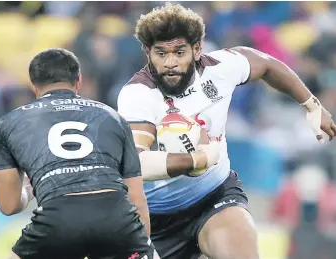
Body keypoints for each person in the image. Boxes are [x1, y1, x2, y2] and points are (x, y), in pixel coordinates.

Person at [117, 3, 336, 259]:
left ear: (197, 49)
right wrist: (197, 160)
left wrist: (311, 105)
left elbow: (266, 65)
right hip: (154, 216)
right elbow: (136, 163)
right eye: (161, 53)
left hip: (214, 197)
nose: (171, 62)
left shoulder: (221, 68)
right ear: (147, 52)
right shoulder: (138, 94)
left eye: (179, 52)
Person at [0, 48, 158, 259]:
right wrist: (138, 247)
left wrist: (28, 192)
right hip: (116, 217)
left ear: (33, 85)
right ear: (78, 81)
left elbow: (9, 206)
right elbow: (136, 197)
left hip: (57, 220)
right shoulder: (112, 116)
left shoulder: (8, 123)